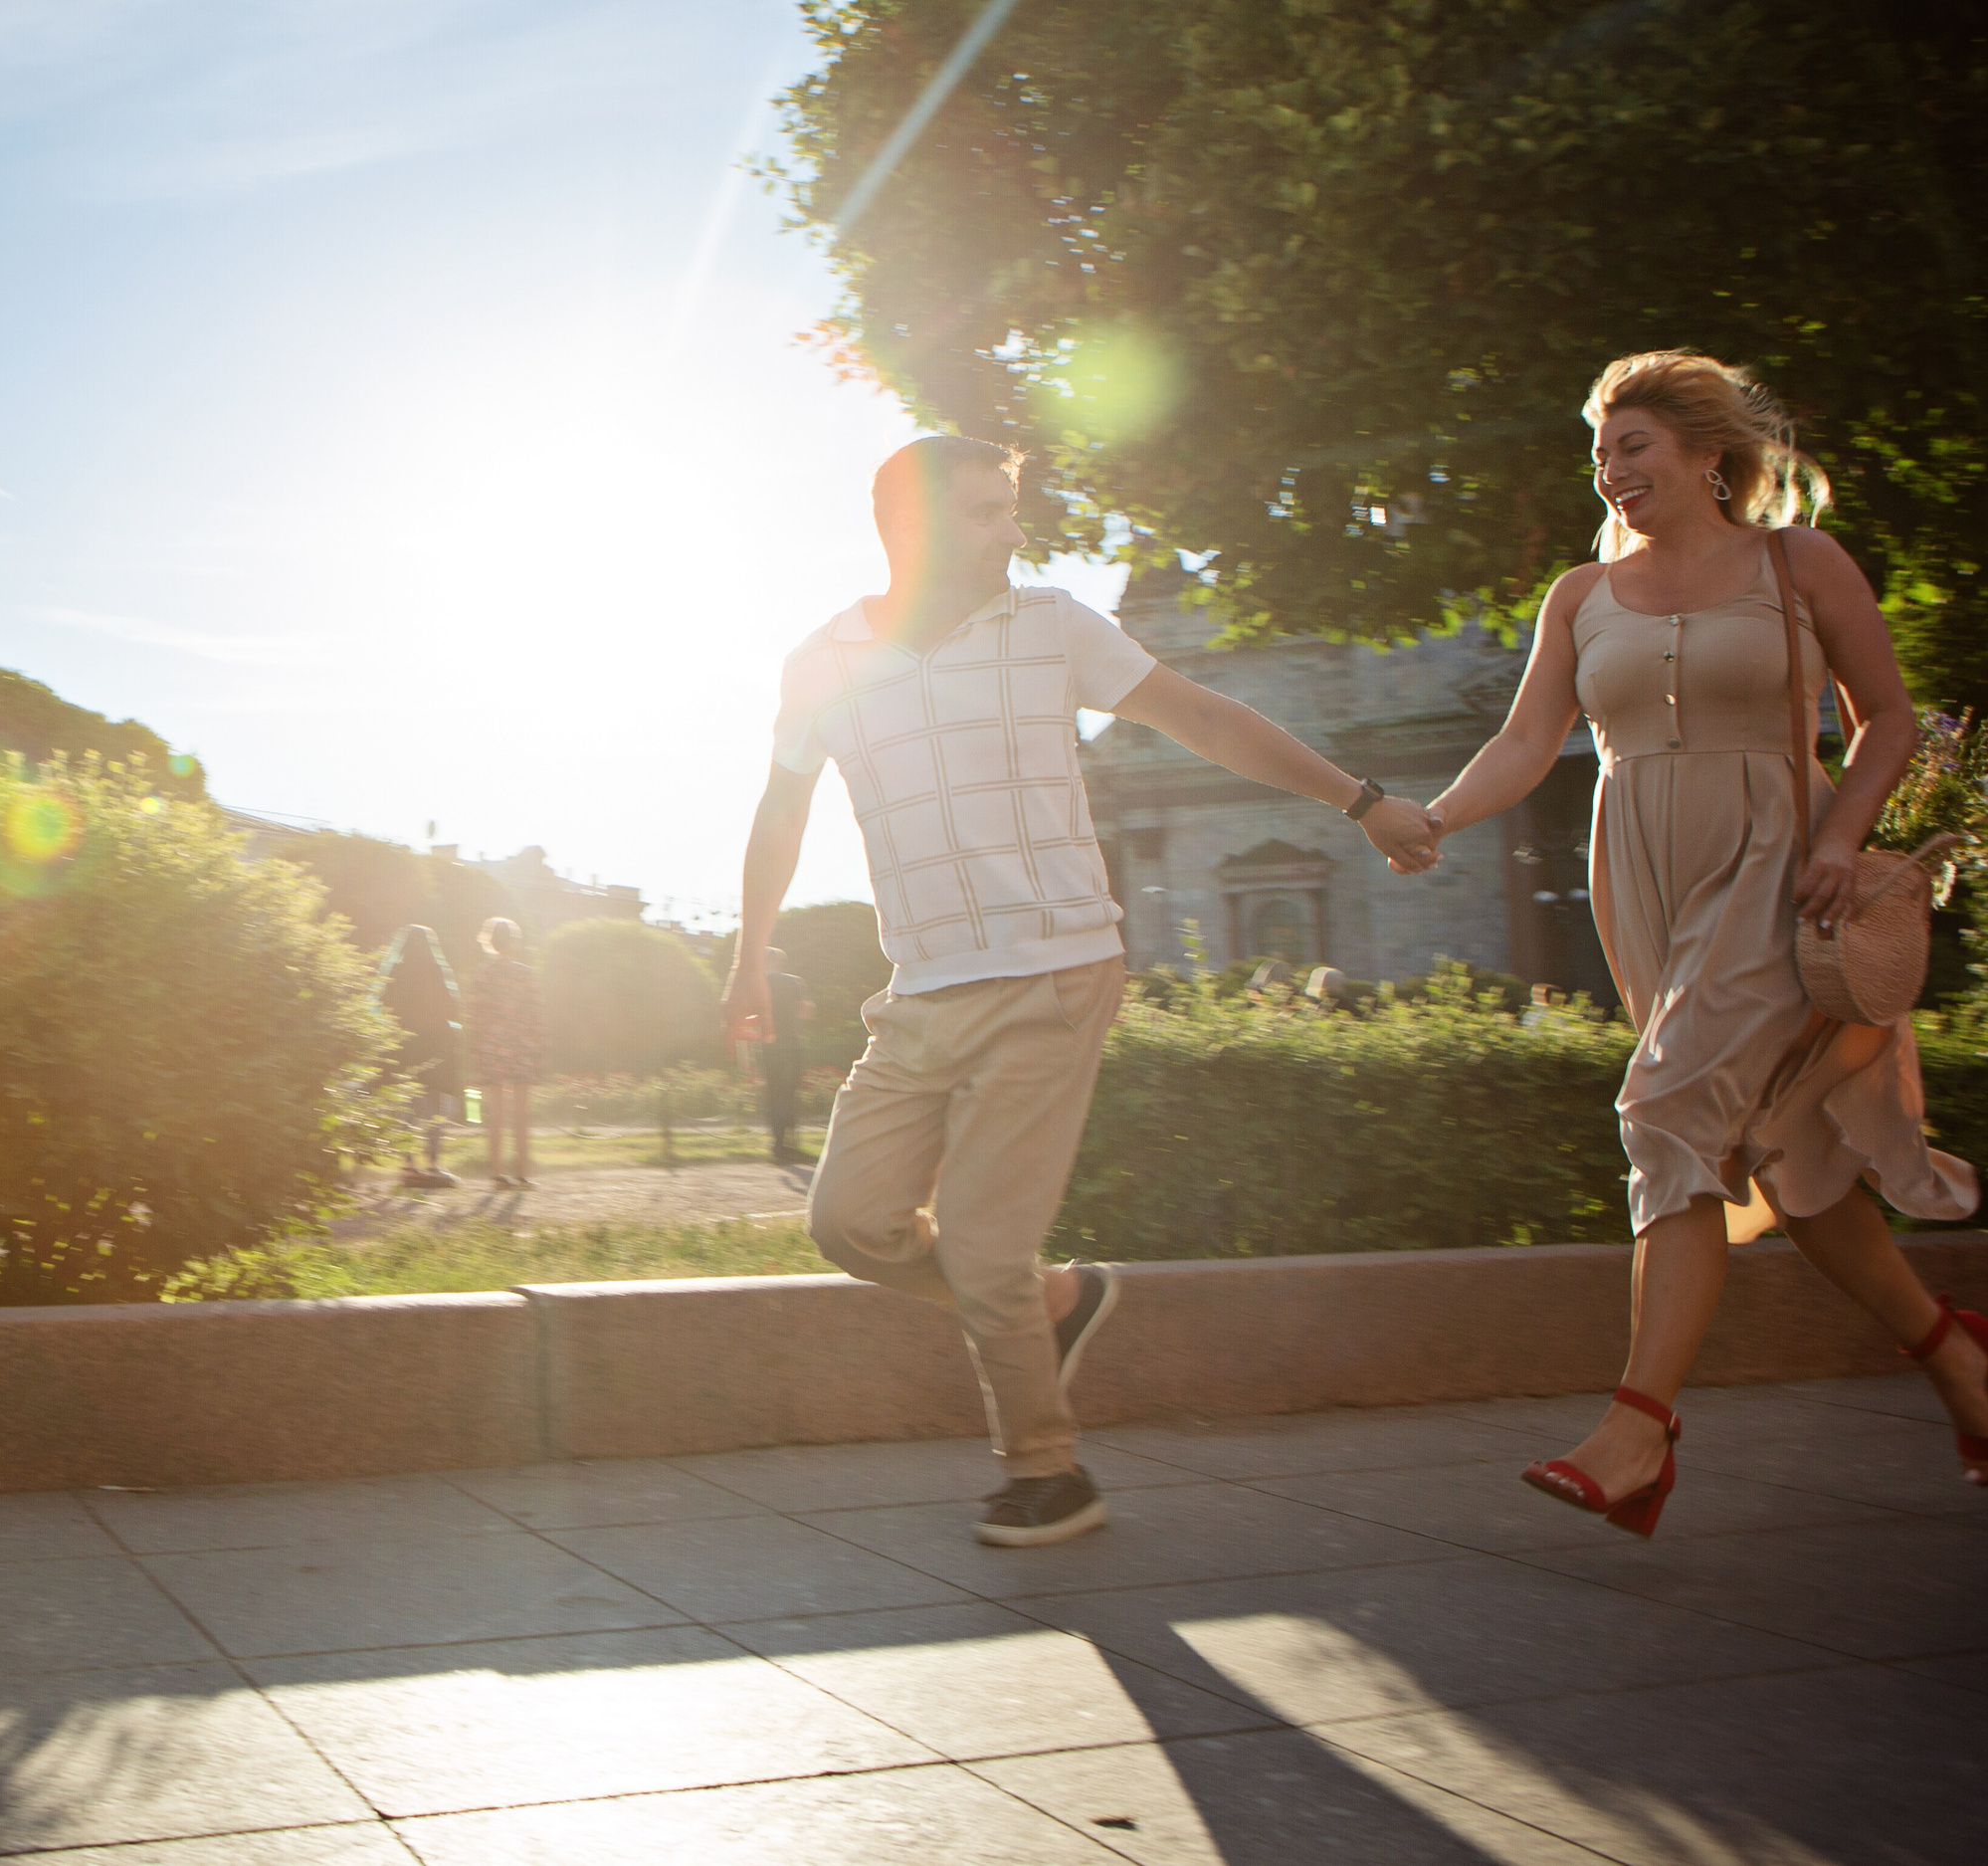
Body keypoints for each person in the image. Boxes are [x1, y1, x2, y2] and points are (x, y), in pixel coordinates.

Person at [723, 434, 1442, 1548]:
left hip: (1054, 968)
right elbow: (781, 811)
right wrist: (745, 954)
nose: (1013, 530)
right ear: (907, 527)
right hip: (918, 987)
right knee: (850, 1224)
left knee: (975, 1237)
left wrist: (1360, 801)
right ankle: (1056, 1305)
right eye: (983, 512)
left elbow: (1199, 716)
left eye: (1011, 509)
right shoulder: (823, 659)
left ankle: (1047, 1473)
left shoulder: (1050, 624)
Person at [1425, 350, 1988, 1537]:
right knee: (1786, 1163)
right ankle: (1955, 1355)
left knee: (1662, 1114)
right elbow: (1524, 743)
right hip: (1643, 877)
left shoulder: (1794, 563)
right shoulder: (1576, 597)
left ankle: (1638, 1429)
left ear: (1710, 456)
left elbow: (1887, 717)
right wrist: (1431, 820)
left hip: (1776, 869)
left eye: (1633, 445)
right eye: (1600, 452)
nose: (1611, 469)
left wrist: (1845, 837)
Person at [380, 924, 463, 1190]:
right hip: (434, 1050)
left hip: (403, 1050)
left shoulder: (394, 972)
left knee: (407, 1107)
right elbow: (452, 1008)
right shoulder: (436, 971)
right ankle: (434, 1165)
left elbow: (383, 1008)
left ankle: (409, 1167)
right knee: (434, 1107)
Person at [468, 917, 544, 1188]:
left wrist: (477, 1049)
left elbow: (475, 1015)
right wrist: (534, 1045)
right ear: (514, 942)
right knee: (521, 1113)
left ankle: (498, 1174)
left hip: (491, 1047)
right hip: (520, 1047)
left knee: (495, 1113)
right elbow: (535, 1014)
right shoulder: (526, 974)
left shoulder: (481, 974)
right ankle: (522, 1173)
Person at [756, 946, 814, 1163]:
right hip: (791, 1045)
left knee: (773, 1094)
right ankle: (791, 1142)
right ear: (781, 962)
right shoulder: (793, 982)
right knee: (790, 1094)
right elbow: (806, 1012)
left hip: (767, 1045)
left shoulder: (758, 984)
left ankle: (776, 1144)